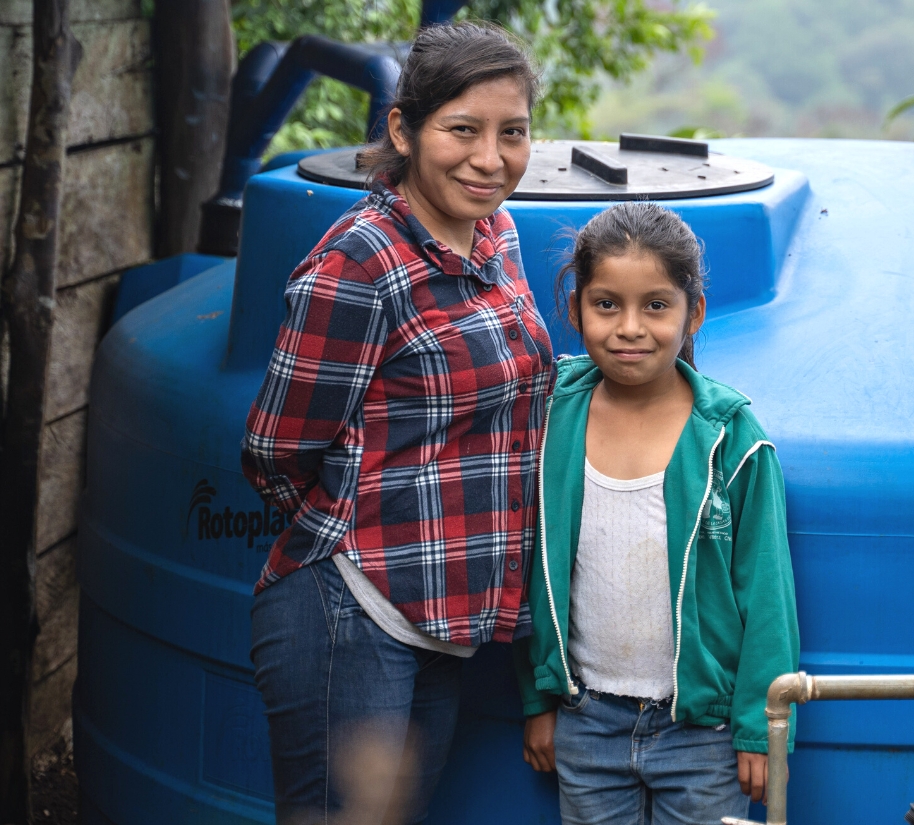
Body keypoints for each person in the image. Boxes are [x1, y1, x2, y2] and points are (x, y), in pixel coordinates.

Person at [241, 22, 552, 825]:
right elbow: (275, 451)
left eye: (511, 132)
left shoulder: (498, 234)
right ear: (404, 130)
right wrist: (366, 537)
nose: (491, 158)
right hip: (353, 610)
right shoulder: (362, 265)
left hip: (442, 618)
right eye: (463, 130)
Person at [514, 202, 800, 825]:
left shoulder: (730, 436)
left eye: (656, 306)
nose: (630, 328)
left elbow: (768, 594)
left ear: (693, 312)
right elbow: (534, 569)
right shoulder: (552, 417)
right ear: (575, 310)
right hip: (585, 722)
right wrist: (540, 698)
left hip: (701, 731)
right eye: (607, 304)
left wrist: (760, 729)